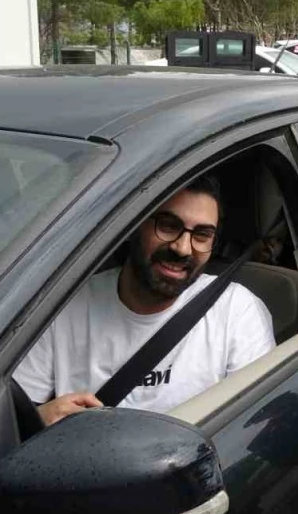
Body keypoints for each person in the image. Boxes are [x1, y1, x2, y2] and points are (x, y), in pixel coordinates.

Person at [14, 175, 277, 426]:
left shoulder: (236, 312)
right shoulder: (62, 308)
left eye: (202, 235)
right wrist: (37, 421)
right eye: (168, 225)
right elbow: (14, 417)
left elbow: (252, 426)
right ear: (133, 225)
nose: (183, 248)